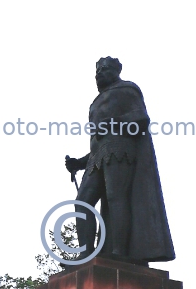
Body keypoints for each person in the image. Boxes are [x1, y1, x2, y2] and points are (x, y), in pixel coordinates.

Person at [65, 57, 175, 262]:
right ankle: (85, 254)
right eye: (96, 71)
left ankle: (119, 252)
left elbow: (140, 118)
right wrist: (79, 163)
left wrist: (110, 123)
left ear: (117, 70)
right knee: (82, 202)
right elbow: (98, 142)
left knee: (116, 197)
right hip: (98, 156)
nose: (99, 74)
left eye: (104, 69)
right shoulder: (94, 103)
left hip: (120, 149)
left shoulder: (127, 89)